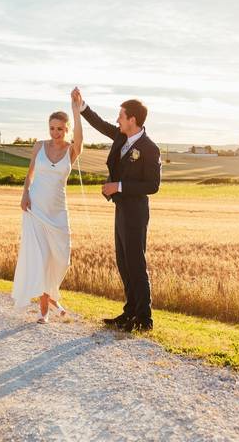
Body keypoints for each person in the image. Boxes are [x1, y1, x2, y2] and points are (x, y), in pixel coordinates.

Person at [73, 87, 161, 332]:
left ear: (132, 120)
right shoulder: (122, 137)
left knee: (136, 263)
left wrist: (118, 186)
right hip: (121, 210)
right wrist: (82, 107)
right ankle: (129, 311)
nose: (117, 120)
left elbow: (153, 185)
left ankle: (144, 319)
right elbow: (101, 125)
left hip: (136, 212)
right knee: (123, 262)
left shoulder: (150, 148)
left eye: (121, 116)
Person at [10, 90, 84, 323]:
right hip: (35, 209)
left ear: (67, 130)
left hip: (57, 212)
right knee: (41, 259)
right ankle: (44, 311)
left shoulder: (71, 150)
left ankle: (52, 297)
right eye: (52, 128)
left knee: (61, 259)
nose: (55, 133)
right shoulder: (39, 146)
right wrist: (24, 194)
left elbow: (80, 138)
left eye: (60, 129)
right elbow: (30, 174)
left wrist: (76, 109)